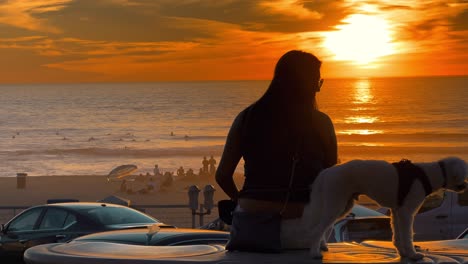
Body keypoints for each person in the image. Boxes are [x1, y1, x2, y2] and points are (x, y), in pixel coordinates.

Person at [215, 50, 337, 249]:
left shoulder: (247, 118)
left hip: (252, 225)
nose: (318, 89)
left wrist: (243, 200)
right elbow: (331, 177)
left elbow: (222, 175)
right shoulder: (321, 123)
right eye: (317, 81)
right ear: (305, 83)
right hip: (303, 228)